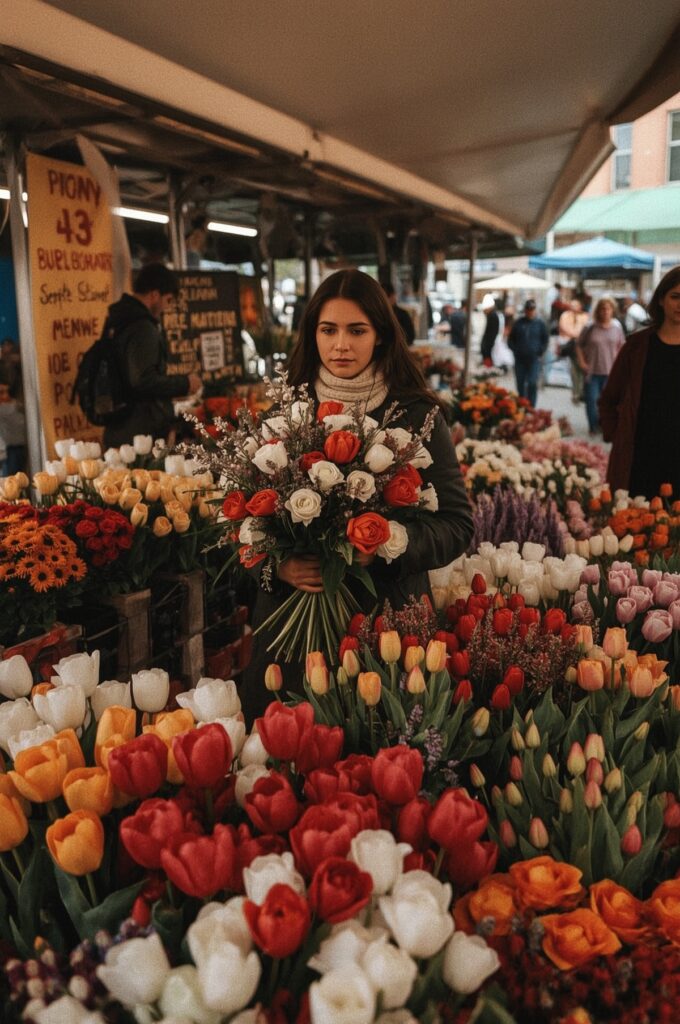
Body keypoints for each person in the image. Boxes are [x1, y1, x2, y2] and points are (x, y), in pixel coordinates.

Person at [240, 269, 474, 722]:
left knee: (376, 756)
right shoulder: (283, 412)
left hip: (384, 629)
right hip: (292, 637)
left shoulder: (416, 415)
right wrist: (278, 564)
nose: (340, 344)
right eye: (328, 330)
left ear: (382, 336)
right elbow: (243, 525)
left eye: (356, 330)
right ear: (312, 335)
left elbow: (457, 525)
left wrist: (385, 543)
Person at [600, 265, 680, 499]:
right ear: (662, 300)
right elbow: (608, 399)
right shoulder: (636, 346)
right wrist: (617, 435)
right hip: (640, 455)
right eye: (675, 296)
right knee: (635, 527)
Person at [102, 263, 201, 449]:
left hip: (119, 423)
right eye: (168, 300)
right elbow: (142, 380)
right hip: (139, 431)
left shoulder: (119, 320)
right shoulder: (142, 327)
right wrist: (185, 383)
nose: (166, 307)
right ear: (155, 295)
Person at [576, 297, 625, 435]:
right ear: (598, 311)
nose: (605, 312)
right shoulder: (590, 327)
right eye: (602, 309)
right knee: (592, 401)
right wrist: (581, 362)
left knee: (609, 403)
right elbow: (579, 345)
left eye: (608, 309)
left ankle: (605, 426)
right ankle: (593, 426)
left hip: (611, 372)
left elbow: (622, 347)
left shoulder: (617, 327)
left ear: (612, 310)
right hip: (592, 371)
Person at [507, 299, 548, 407]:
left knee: (532, 382)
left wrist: (540, 350)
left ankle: (531, 406)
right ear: (525, 310)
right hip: (520, 359)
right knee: (520, 383)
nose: (530, 312)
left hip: (534, 358)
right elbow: (510, 339)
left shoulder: (540, 324)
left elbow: (545, 339)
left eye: (532, 309)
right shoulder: (518, 323)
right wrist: (515, 349)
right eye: (528, 309)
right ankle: (522, 405)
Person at [558, 298, 589, 404]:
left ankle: (581, 392)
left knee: (582, 370)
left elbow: (586, 330)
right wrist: (577, 336)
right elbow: (564, 328)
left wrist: (579, 337)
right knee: (575, 371)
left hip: (583, 347)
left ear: (580, 306)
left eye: (576, 305)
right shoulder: (565, 316)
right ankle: (576, 393)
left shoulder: (585, 316)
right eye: (572, 305)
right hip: (570, 347)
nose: (574, 307)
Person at [479, 294, 501, 364]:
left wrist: (486, 345)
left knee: (488, 360)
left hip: (488, 344)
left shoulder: (492, 316)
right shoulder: (492, 315)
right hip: (488, 344)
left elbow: (491, 332)